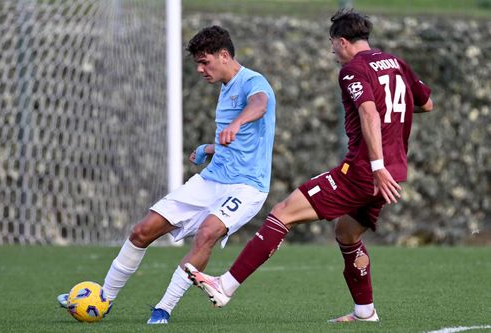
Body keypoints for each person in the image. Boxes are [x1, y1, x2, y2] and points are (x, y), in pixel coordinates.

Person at [185, 9, 433, 323]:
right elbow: (425, 103)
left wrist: (376, 164)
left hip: (365, 171)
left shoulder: (353, 69)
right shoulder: (396, 63)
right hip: (394, 173)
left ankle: (225, 286)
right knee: (346, 233)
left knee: (283, 213)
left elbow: (369, 113)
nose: (333, 52)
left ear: (343, 42)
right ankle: (364, 312)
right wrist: (391, 134)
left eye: (333, 45)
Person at [57, 25, 277, 325]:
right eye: (197, 63)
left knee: (206, 234)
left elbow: (260, 105)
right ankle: (104, 298)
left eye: (205, 62)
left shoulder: (253, 82)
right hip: (211, 179)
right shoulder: (225, 87)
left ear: (224, 55)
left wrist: (236, 123)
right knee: (142, 231)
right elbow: (244, 140)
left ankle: (163, 309)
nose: (200, 69)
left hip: (246, 188)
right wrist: (209, 148)